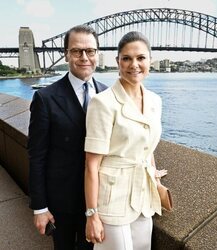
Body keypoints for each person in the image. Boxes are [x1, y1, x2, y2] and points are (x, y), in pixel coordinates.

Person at [28, 24, 107, 250]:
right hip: (61, 202)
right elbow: (36, 156)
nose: (84, 57)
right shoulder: (45, 98)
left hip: (99, 200)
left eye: (90, 51)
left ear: (97, 54)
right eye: (76, 51)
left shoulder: (108, 93)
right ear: (66, 54)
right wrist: (40, 207)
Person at [84, 31, 166, 250]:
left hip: (143, 196)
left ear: (150, 60)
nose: (134, 65)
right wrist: (92, 214)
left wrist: (156, 181)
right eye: (127, 58)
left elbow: (147, 149)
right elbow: (92, 164)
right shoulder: (102, 103)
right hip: (112, 198)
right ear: (117, 62)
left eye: (141, 58)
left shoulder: (155, 101)